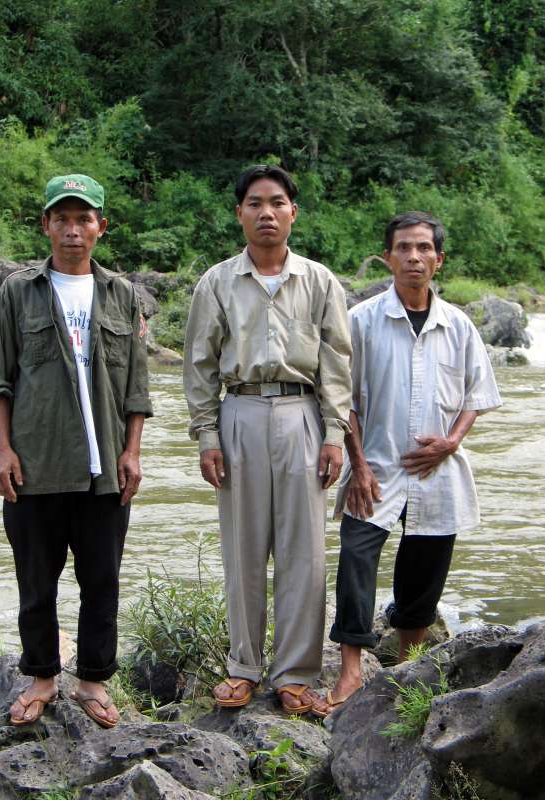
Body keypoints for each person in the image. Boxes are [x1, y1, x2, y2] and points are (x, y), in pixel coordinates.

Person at [0, 174, 152, 728]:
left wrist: (133, 451)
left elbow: (137, 389)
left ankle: (94, 683)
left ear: (102, 227)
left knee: (101, 579)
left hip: (105, 471)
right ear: (46, 226)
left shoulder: (122, 294)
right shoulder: (16, 293)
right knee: (36, 580)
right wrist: (2, 450)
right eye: (62, 219)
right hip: (35, 465)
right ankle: (42, 680)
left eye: (84, 219)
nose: (73, 230)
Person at [183, 165, 352, 715]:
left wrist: (334, 433)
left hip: (303, 413)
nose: (266, 213)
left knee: (305, 551)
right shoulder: (217, 282)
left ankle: (297, 672)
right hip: (240, 412)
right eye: (254, 203)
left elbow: (336, 363)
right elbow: (200, 364)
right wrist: (207, 434)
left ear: (293, 212)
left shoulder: (320, 281)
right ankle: (243, 667)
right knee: (243, 546)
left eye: (277, 203)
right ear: (239, 213)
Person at [321, 211, 502, 716]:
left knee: (426, 567)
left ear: (438, 260)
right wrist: (357, 466)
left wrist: (451, 441)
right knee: (357, 559)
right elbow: (343, 400)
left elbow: (477, 394)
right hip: (374, 464)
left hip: (437, 469)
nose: (414, 257)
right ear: (388, 257)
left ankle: (410, 663)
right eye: (403, 248)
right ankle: (351, 668)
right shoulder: (361, 321)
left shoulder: (459, 325)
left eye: (424, 248)